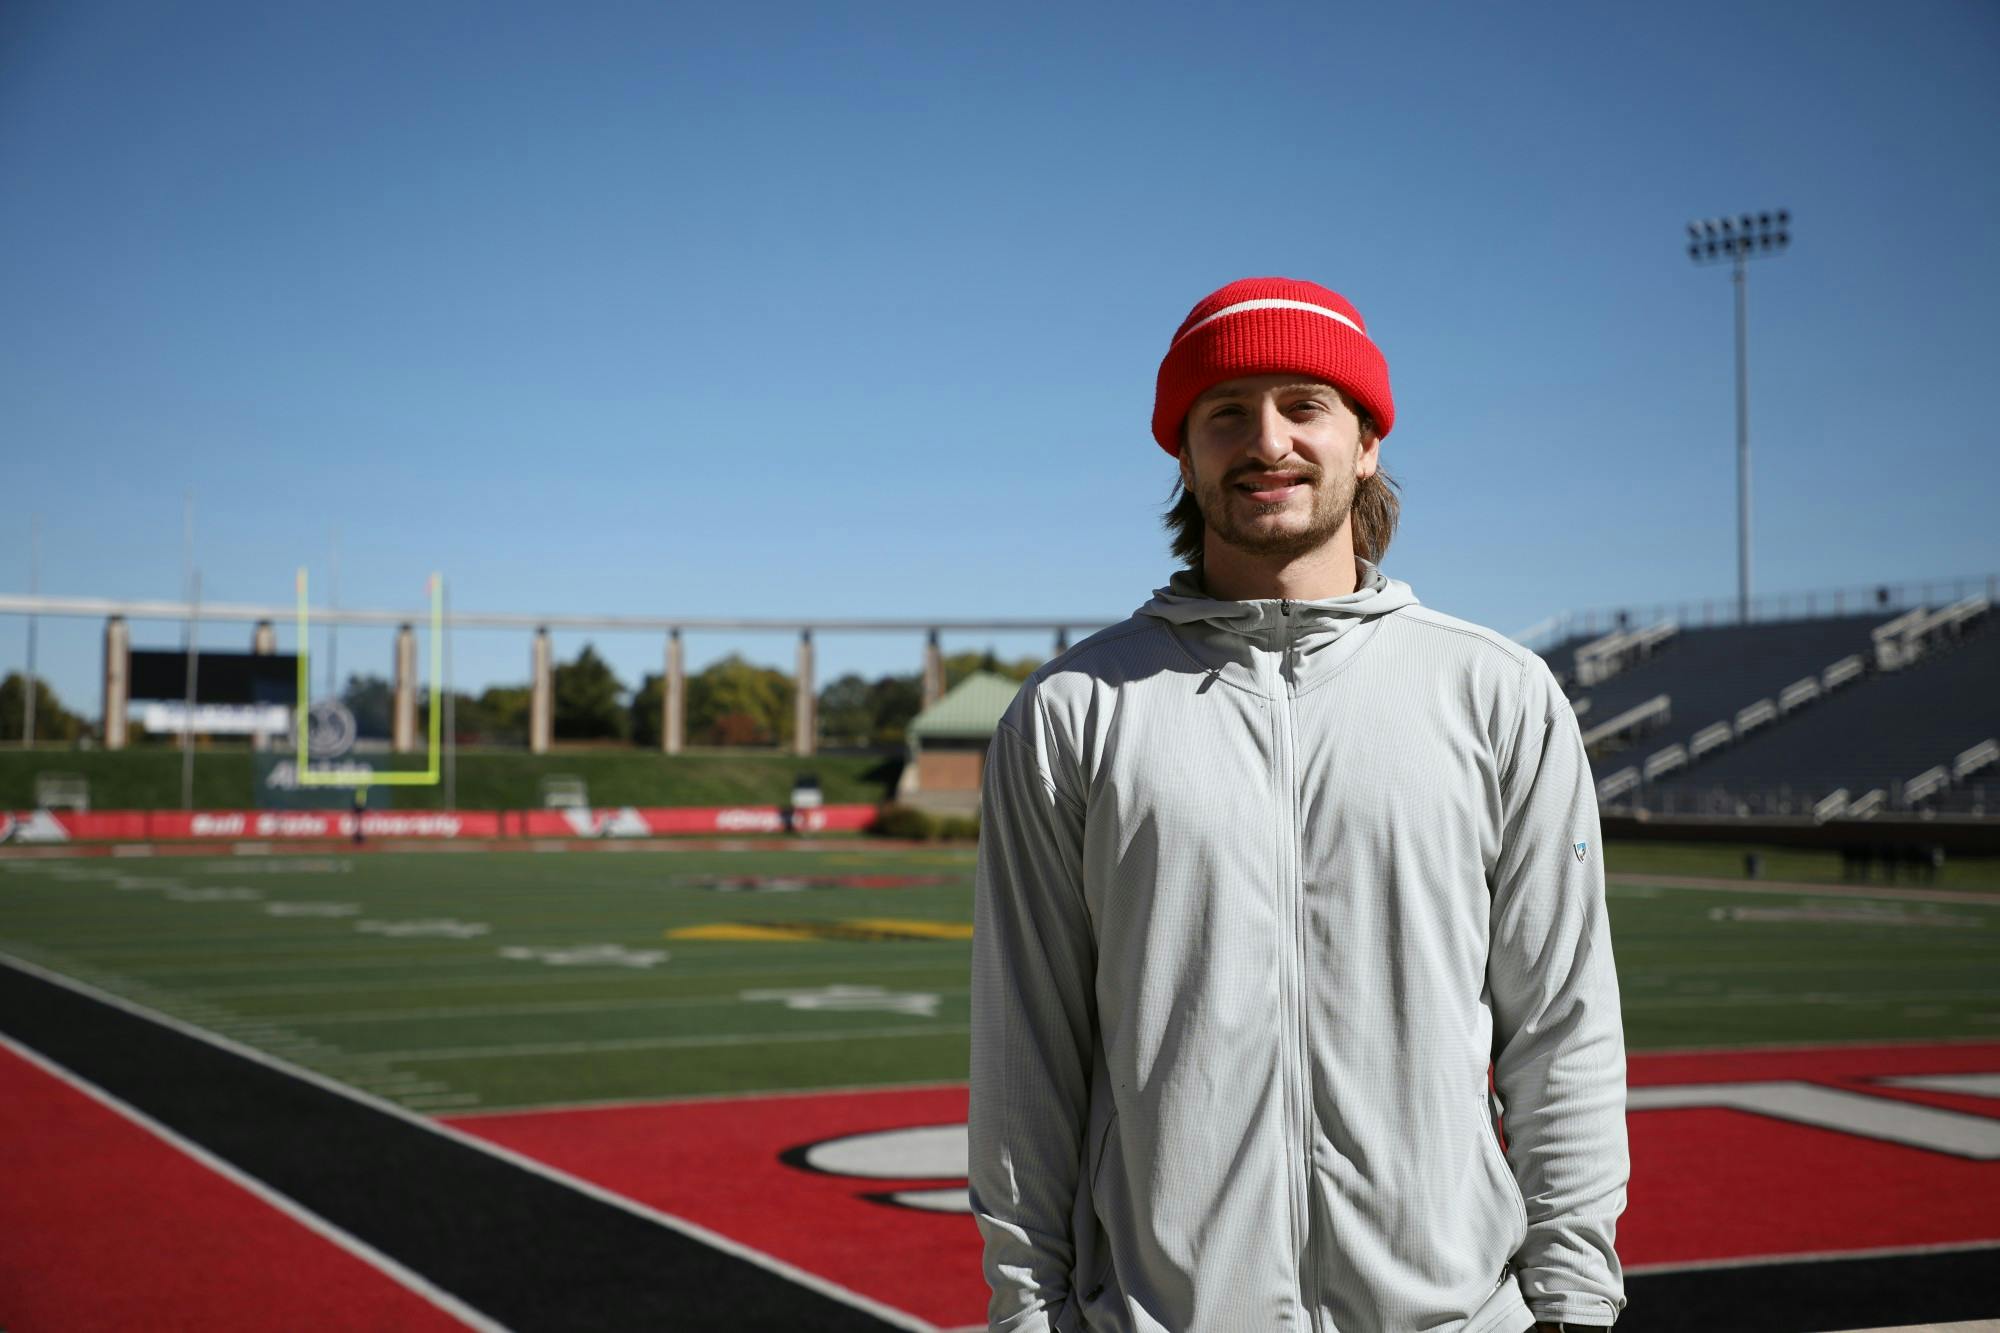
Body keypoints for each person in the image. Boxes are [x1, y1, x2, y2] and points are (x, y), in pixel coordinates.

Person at [969, 277, 1628, 1333]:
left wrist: (1575, 1301)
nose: (1265, 441)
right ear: (1183, 455)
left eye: (1303, 405)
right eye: (1225, 413)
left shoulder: (1497, 693)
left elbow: (1561, 1022)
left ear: (1366, 441)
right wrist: (1026, 1313)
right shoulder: (1071, 711)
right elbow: (1025, 1053)